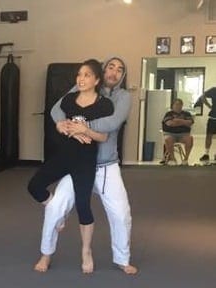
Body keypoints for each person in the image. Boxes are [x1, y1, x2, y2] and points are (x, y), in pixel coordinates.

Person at [36, 56, 138, 275]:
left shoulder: (122, 97)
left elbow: (113, 122)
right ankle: (46, 253)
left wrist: (80, 125)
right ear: (101, 72)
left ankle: (122, 259)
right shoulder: (84, 87)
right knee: (54, 208)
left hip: (106, 166)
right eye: (111, 67)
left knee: (121, 214)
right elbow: (56, 110)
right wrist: (62, 124)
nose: (114, 72)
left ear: (122, 76)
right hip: (78, 163)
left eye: (120, 70)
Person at [28, 59, 113, 274]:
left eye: (86, 75)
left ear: (96, 80)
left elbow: (103, 136)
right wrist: (65, 127)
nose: (81, 79)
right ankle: (56, 214)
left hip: (85, 161)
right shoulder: (68, 100)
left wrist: (83, 130)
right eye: (79, 75)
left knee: (83, 206)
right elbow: (61, 124)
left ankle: (86, 251)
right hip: (64, 156)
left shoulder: (104, 104)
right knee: (34, 186)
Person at [161, 98, 193, 166]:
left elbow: (190, 123)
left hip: (183, 134)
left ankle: (185, 160)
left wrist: (176, 120)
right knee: (168, 139)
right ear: (173, 105)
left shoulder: (187, 114)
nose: (178, 106)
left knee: (190, 139)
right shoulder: (168, 114)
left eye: (180, 104)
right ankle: (173, 159)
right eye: (177, 104)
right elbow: (170, 123)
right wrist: (183, 122)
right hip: (171, 134)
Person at [200, 86, 216, 163]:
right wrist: (209, 105)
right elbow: (202, 96)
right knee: (209, 135)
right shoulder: (213, 90)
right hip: (213, 117)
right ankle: (206, 154)